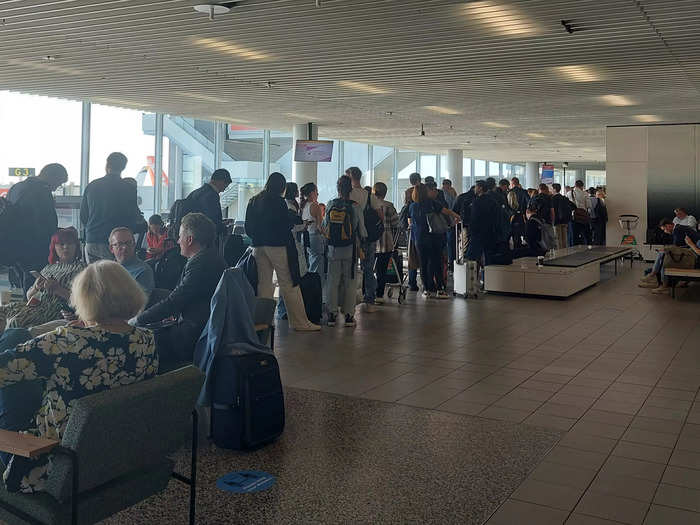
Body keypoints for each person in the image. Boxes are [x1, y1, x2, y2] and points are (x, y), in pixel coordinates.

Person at [0, 261, 157, 494]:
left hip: (53, 464)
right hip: (116, 453)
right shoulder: (146, 339)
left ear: (84, 298)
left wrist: (74, 333)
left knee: (14, 371)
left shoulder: (66, 340)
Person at [136, 213, 227, 370]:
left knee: (142, 340)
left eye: (179, 237)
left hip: (194, 334)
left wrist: (138, 320)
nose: (178, 241)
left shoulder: (200, 264)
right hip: (206, 327)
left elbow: (175, 300)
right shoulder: (212, 258)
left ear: (189, 240)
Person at [245, 173, 320, 332]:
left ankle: (262, 322)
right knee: (289, 283)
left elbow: (248, 228)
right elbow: (284, 224)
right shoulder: (278, 202)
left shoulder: (254, 201)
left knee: (264, 285)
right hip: (278, 246)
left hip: (257, 247)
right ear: (281, 187)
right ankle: (299, 322)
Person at [0, 227, 84, 333]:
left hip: (54, 312)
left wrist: (58, 289)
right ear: (54, 247)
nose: (66, 247)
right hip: (33, 306)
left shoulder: (82, 270)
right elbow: (29, 296)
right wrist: (36, 287)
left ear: (76, 246)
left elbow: (83, 301)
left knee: (15, 322)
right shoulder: (49, 267)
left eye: (70, 244)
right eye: (61, 244)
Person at [7, 163, 68, 293]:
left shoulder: (16, 188)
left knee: (27, 285)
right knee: (37, 288)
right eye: (59, 182)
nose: (57, 187)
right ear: (53, 177)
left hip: (15, 247)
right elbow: (45, 225)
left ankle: (27, 308)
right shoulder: (41, 191)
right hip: (35, 250)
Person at [80, 152, 143, 263]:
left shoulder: (92, 185)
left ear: (107, 164)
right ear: (123, 167)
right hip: (116, 242)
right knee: (113, 276)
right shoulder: (127, 188)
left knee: (94, 276)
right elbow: (133, 216)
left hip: (92, 239)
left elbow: (84, 216)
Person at [323, 176, 366, 327]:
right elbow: (362, 230)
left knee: (332, 281)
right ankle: (348, 315)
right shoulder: (355, 206)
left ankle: (331, 314)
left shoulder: (330, 204)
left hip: (333, 248)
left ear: (337, 189)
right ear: (350, 190)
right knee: (350, 281)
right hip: (350, 249)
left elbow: (324, 225)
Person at [409, 183, 458, 299]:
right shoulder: (432, 203)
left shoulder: (412, 206)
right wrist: (457, 216)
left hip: (419, 239)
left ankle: (426, 290)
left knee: (423, 264)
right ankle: (440, 290)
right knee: (436, 263)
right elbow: (446, 211)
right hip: (434, 237)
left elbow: (410, 223)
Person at [347, 166, 383, 312]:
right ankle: (370, 300)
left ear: (349, 177)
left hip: (350, 236)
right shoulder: (369, 196)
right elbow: (381, 215)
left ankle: (349, 302)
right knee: (368, 268)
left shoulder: (347, 194)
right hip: (367, 236)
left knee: (350, 268)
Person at [373, 182, 400, 304]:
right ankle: (379, 294)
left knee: (368, 269)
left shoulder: (370, 205)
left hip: (371, 243)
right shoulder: (389, 206)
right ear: (385, 193)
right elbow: (396, 223)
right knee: (382, 270)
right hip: (386, 242)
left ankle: (367, 293)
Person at [109, 227, 155, 297]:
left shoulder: (143, 271)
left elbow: (138, 304)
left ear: (134, 245)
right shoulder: (107, 268)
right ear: (111, 248)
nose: (124, 247)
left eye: (128, 243)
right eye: (120, 244)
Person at [186, 168, 232, 236]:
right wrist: (222, 227)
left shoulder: (196, 192)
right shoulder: (212, 196)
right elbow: (211, 222)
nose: (223, 190)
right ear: (220, 181)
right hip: (203, 238)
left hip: (191, 234)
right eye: (225, 186)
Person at [300, 182, 326, 294]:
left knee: (311, 263)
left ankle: (310, 291)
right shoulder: (315, 205)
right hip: (315, 238)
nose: (318, 193)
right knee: (317, 266)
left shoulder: (304, 206)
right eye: (316, 191)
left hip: (306, 237)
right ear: (312, 193)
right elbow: (320, 227)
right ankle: (316, 292)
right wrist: (327, 235)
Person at [467, 180, 498, 263]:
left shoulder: (477, 202)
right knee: (488, 256)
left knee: (472, 257)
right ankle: (488, 274)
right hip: (489, 232)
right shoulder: (492, 201)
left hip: (477, 233)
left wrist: (470, 231)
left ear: (480, 188)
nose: (475, 188)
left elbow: (474, 218)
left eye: (476, 186)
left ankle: (474, 275)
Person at [404, 172, 422, 291]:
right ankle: (427, 284)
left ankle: (412, 282)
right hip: (423, 228)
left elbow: (406, 208)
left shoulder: (407, 192)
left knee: (412, 257)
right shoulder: (423, 190)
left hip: (411, 228)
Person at [567, 180, 591, 245]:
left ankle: (573, 249)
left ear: (575, 185)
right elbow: (588, 205)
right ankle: (586, 249)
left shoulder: (569, 193)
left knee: (574, 235)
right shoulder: (585, 194)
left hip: (573, 216)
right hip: (583, 216)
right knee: (586, 235)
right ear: (582, 186)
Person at [551, 183, 572, 249]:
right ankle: (565, 252)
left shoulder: (553, 198)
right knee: (564, 238)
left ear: (554, 189)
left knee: (558, 238)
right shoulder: (564, 198)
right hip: (565, 220)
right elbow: (573, 206)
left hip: (557, 221)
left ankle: (560, 253)